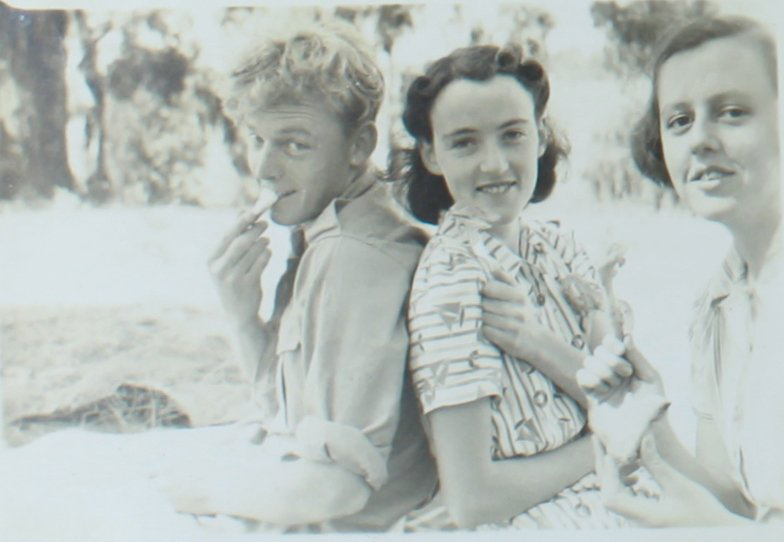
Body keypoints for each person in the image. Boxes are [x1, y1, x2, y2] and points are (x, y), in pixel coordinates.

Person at [195, 20, 437, 531]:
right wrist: (243, 317)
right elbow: (289, 417)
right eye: (257, 138)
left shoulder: (351, 252)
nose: (263, 167)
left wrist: (201, 493)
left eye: (294, 144)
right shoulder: (327, 230)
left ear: (358, 145)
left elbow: (336, 489)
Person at [401, 43, 627, 529]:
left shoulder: (560, 247)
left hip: (610, 501)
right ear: (430, 154)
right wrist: (604, 447)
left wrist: (535, 342)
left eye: (512, 135)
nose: (495, 164)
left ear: (540, 137)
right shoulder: (452, 283)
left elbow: (629, 399)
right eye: (464, 142)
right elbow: (473, 500)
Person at [578, 15, 783, 526]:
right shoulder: (717, 304)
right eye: (679, 120)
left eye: (732, 112)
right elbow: (739, 504)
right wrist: (648, 417)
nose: (700, 140)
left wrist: (720, 533)